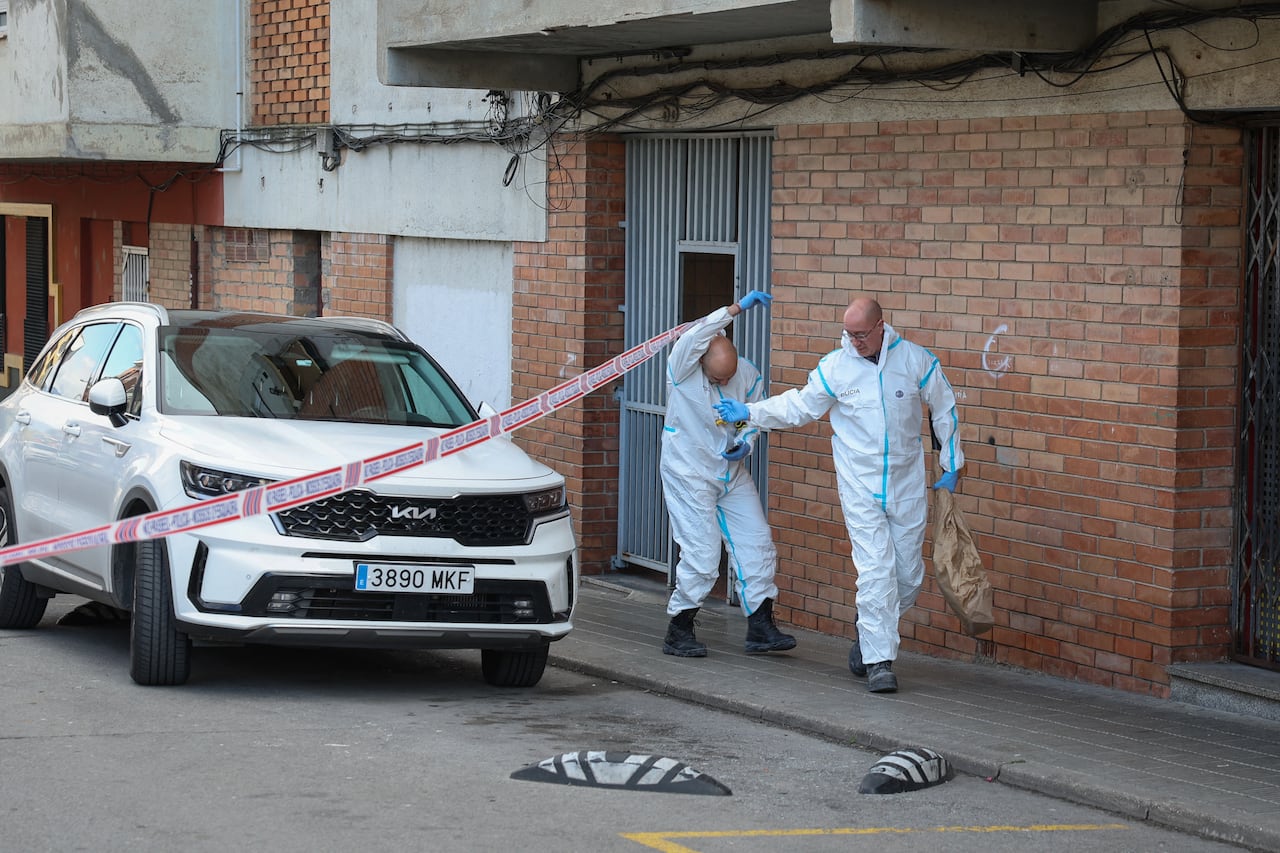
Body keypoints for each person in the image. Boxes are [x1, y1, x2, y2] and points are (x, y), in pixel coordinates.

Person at [714, 296, 963, 693]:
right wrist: (749, 412)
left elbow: (944, 406)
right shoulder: (836, 367)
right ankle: (880, 662)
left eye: (862, 334)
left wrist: (951, 464)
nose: (855, 341)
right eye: (850, 334)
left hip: (907, 483)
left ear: (882, 326)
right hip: (860, 484)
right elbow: (799, 406)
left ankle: (868, 634)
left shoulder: (915, 360)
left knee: (909, 576)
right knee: (876, 571)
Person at [660, 290, 796, 658]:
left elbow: (754, 418)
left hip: (730, 471)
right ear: (702, 361)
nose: (724, 383)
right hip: (688, 471)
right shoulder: (682, 366)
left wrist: (747, 443)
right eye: (717, 378)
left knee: (757, 542)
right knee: (703, 554)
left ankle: (761, 626)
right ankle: (680, 627)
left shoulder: (747, 374)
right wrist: (735, 309)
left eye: (728, 377)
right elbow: (696, 333)